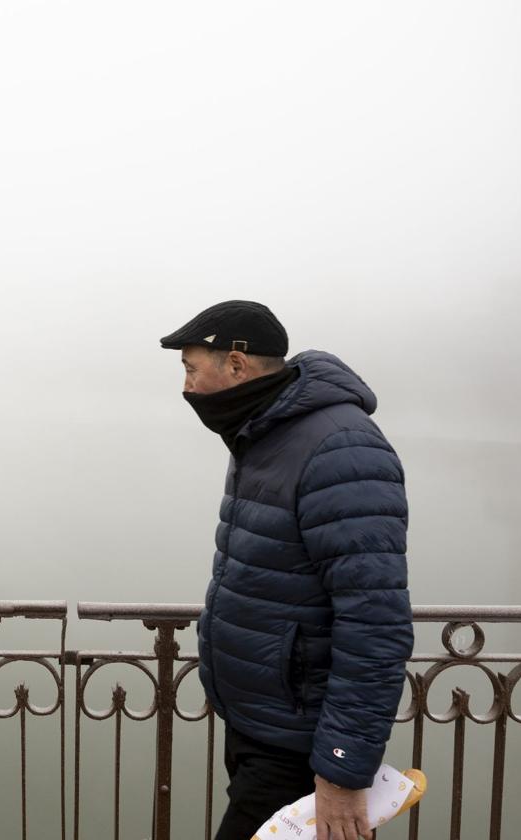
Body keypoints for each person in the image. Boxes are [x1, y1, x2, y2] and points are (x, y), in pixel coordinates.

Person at [160, 300, 413, 840]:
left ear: (235, 365)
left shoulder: (338, 448)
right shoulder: (265, 433)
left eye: (190, 368)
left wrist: (343, 768)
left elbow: (375, 622)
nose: (185, 386)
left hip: (301, 741)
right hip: (263, 725)